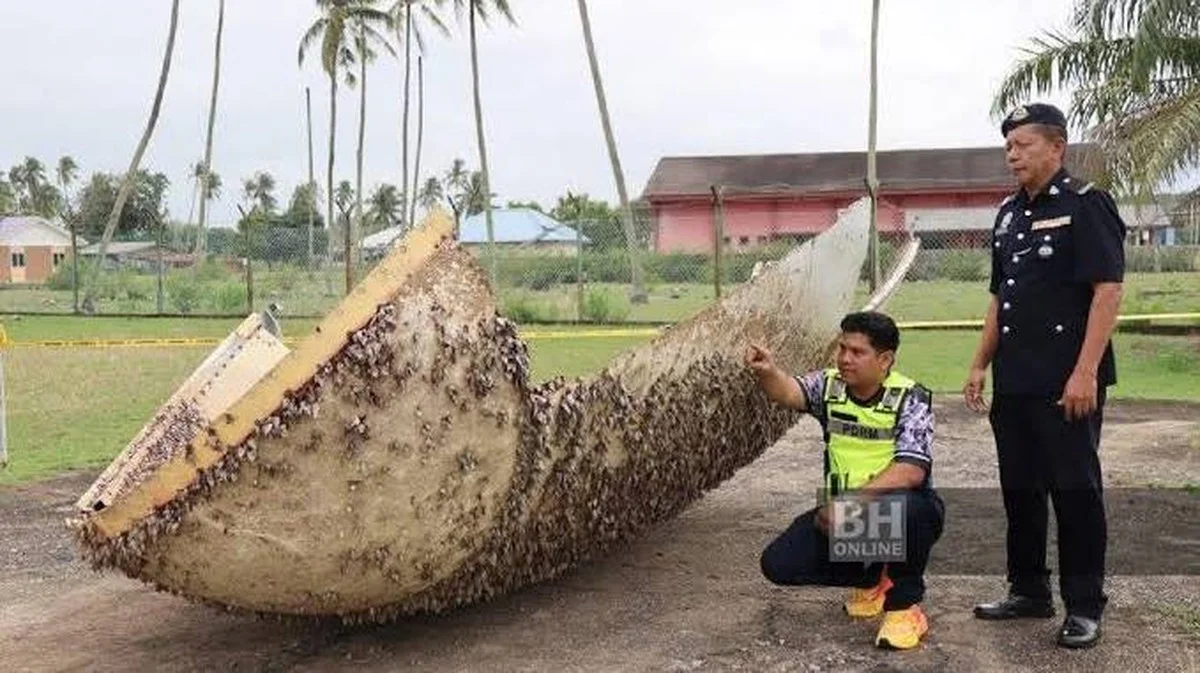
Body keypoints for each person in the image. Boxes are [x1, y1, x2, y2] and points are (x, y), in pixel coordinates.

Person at [964, 102, 1125, 649]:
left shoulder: (1087, 206)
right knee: (1021, 489)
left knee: (1075, 491)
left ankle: (1085, 605)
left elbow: (1108, 291)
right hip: (1016, 379)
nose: (1012, 155)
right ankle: (1029, 589)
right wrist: (980, 361)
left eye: (1022, 145)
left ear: (1056, 146)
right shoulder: (1008, 214)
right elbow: (999, 296)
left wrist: (1085, 372)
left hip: (1067, 381)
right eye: (1007, 146)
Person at [749, 311, 945, 651]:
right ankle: (872, 580)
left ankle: (904, 607)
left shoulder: (910, 398)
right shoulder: (829, 386)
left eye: (857, 352)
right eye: (842, 348)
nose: (844, 358)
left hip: (891, 510)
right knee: (778, 564)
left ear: (885, 359)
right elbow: (788, 392)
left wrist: (851, 502)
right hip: (846, 516)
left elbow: (912, 468)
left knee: (916, 512)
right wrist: (768, 372)